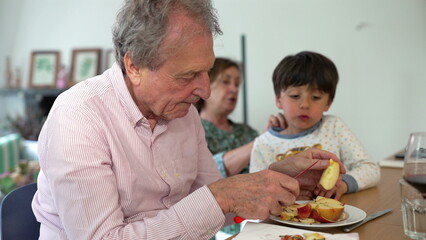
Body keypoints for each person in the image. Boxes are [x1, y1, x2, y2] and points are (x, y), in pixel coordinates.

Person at [31, 1, 344, 239]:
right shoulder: (77, 118)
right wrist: (222, 197)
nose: (205, 89)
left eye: (206, 70)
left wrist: (274, 181)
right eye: (188, 75)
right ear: (134, 66)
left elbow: (217, 206)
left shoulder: (183, 112)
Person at [250, 51, 380, 200]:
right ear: (279, 99)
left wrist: (343, 184)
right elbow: (256, 191)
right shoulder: (264, 144)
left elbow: (370, 169)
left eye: (316, 97)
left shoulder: (333, 127)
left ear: (328, 103)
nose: (305, 104)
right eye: (295, 96)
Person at [195, 58, 285, 238]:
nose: (234, 89)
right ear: (205, 84)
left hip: (262, 221)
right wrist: (262, 141)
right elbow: (207, 177)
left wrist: (278, 137)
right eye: (226, 81)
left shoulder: (246, 131)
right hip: (221, 230)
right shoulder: (192, 131)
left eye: (237, 83)